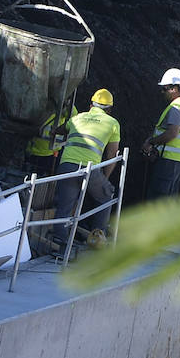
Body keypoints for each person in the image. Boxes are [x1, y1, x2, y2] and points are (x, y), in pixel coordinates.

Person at [53, 88, 121, 247]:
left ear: (91, 105)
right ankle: (97, 240)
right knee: (105, 196)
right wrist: (104, 177)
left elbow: (60, 130)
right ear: (109, 109)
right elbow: (112, 155)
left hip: (67, 166)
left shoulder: (78, 118)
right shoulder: (112, 123)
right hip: (89, 170)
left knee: (64, 206)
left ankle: (59, 244)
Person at [143, 68, 180, 199]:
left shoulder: (176, 108)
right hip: (179, 160)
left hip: (169, 161)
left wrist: (151, 142)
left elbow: (172, 133)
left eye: (164, 89)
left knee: (158, 198)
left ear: (173, 89)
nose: (162, 92)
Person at [26, 101, 72, 176]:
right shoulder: (43, 102)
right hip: (38, 150)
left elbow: (73, 116)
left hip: (48, 152)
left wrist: (67, 104)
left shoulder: (64, 107)